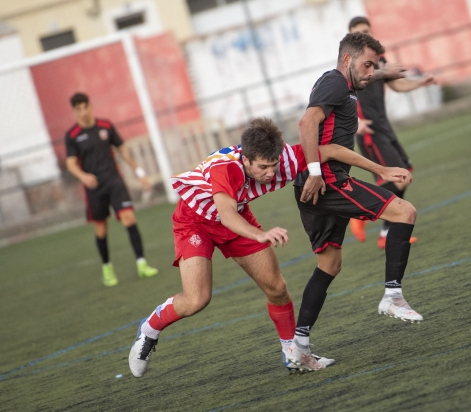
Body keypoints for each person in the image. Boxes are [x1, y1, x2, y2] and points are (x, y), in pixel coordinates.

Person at [128, 117, 412, 376]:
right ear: (246, 159)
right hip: (195, 221)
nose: (269, 172)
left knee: (276, 288)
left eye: (273, 165)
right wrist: (259, 235)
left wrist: (381, 169)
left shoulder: (284, 160)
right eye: (262, 167)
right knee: (197, 300)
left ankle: (293, 355)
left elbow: (331, 150)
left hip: (238, 216)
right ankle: (150, 328)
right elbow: (225, 214)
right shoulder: (226, 168)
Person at [287, 32, 425, 370]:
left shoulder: (342, 85)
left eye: (374, 66)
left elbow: (333, 140)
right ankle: (393, 295)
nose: (370, 72)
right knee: (404, 211)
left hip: (316, 183)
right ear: (347, 60)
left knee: (330, 265)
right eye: (367, 65)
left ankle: (299, 349)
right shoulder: (335, 83)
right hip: (327, 180)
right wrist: (318, 171)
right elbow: (306, 122)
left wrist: (383, 72)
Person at [348, 16, 437, 249]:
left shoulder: (379, 58)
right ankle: (359, 214)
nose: (364, 35)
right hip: (368, 129)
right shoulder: (350, 63)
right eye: (358, 32)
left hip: (384, 125)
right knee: (397, 178)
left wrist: (420, 82)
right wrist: (356, 122)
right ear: (350, 37)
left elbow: (397, 85)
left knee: (404, 173)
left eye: (366, 31)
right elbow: (339, 97)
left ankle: (386, 234)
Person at [65, 92, 158, 287]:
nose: (82, 112)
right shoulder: (72, 136)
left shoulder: (106, 126)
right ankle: (107, 268)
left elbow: (123, 149)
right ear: (74, 111)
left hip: (114, 181)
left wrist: (140, 173)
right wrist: (83, 176)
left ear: (91, 106)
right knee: (101, 229)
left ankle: (142, 264)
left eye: (85, 107)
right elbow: (71, 163)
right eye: (78, 109)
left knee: (129, 218)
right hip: (94, 188)